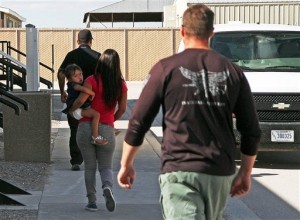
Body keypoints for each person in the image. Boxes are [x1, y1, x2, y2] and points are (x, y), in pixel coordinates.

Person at [117, 4, 261, 220]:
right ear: (211, 33)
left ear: (182, 31)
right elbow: (251, 129)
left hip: (180, 169)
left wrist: (126, 165)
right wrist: (245, 172)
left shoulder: (166, 68)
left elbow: (138, 121)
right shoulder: (232, 71)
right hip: (219, 171)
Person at [69, 49, 127, 212]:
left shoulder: (91, 80)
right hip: (107, 128)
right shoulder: (121, 84)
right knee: (106, 166)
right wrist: (109, 120)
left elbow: (81, 100)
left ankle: (92, 202)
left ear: (100, 63)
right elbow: (122, 109)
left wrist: (72, 111)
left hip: (86, 127)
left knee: (89, 166)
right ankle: (107, 187)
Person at [57, 29, 100, 171]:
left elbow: (61, 74)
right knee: (95, 127)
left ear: (78, 41)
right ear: (90, 42)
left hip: (75, 100)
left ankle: (76, 161)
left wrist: (63, 91)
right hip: (93, 99)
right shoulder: (98, 56)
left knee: (75, 129)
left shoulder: (71, 55)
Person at [62, 63, 107, 146]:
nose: (80, 77)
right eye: (76, 76)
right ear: (69, 79)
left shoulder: (76, 83)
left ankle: (100, 132)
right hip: (76, 110)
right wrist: (92, 93)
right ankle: (95, 136)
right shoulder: (73, 85)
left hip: (78, 109)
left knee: (97, 114)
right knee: (96, 115)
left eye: (80, 74)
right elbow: (82, 89)